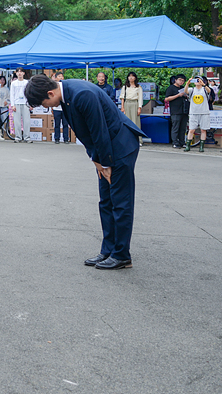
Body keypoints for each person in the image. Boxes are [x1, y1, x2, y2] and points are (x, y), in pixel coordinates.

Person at [26, 74, 146, 270]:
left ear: (50, 92)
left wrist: (103, 163)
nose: (48, 107)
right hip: (106, 149)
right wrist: (97, 161)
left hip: (120, 145)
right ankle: (108, 250)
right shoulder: (65, 94)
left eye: (45, 103)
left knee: (120, 202)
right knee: (106, 201)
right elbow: (85, 133)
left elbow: (99, 131)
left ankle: (121, 255)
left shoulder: (82, 94)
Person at [183, 77, 212, 152]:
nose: (197, 81)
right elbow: (186, 91)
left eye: (199, 80)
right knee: (191, 129)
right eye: (195, 80)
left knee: (203, 130)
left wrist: (203, 84)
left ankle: (201, 146)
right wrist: (187, 83)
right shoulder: (192, 90)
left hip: (204, 112)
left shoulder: (204, 89)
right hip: (193, 112)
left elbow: (209, 91)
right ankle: (188, 145)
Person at [163, 74, 189, 149]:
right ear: (175, 80)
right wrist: (178, 95)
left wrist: (185, 95)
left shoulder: (183, 88)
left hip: (184, 110)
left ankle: (182, 142)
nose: (181, 82)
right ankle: (175, 142)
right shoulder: (171, 88)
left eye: (183, 81)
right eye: (180, 80)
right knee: (175, 127)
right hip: (175, 111)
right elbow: (167, 99)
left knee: (183, 128)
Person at [8, 68, 30, 143]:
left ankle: (27, 137)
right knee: (17, 121)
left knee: (26, 121)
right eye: (18, 72)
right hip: (16, 103)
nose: (19, 73)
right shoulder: (13, 83)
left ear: (24, 73)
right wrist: (12, 105)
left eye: (21, 72)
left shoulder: (27, 82)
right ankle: (18, 137)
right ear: (16, 73)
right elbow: (12, 94)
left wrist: (30, 104)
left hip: (25, 103)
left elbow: (29, 94)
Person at [52, 71, 70, 143]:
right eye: (59, 76)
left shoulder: (65, 85)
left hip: (64, 108)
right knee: (57, 124)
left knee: (65, 124)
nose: (61, 77)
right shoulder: (53, 86)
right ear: (56, 78)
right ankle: (57, 138)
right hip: (56, 108)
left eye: (62, 76)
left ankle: (66, 138)